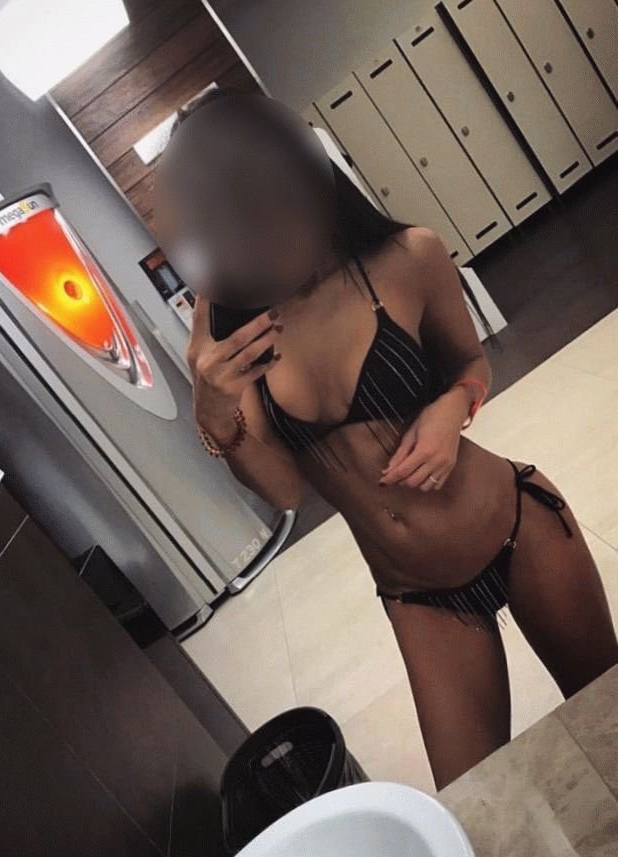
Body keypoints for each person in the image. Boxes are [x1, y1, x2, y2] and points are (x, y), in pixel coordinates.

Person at [162, 88, 618, 790]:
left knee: (608, 723)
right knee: (475, 799)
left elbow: (469, 363)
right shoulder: (236, 341)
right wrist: (213, 409)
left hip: (516, 525)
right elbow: (285, 490)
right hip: (417, 594)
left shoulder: (407, 257)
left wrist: (450, 410)